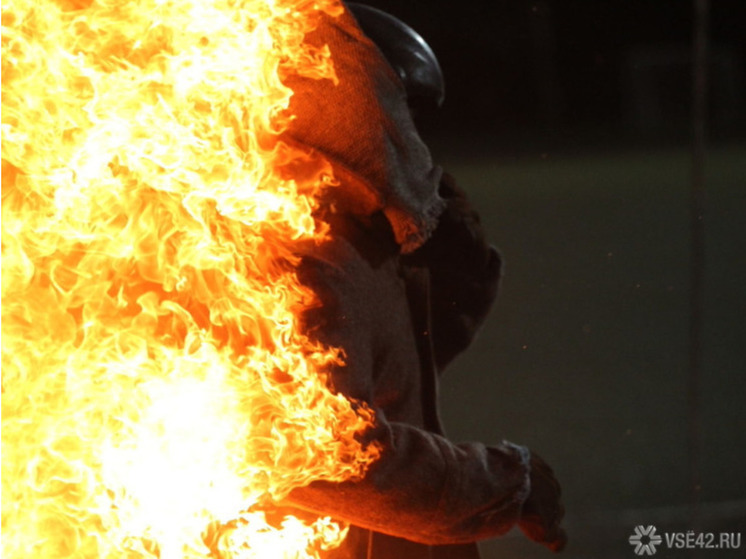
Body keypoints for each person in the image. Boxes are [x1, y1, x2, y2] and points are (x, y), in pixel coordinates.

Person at [279, 4, 567, 557]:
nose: (412, 142)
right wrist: (504, 482)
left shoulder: (356, 236)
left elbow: (408, 364)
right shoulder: (306, 256)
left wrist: (454, 253)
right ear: (357, 105)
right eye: (403, 118)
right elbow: (318, 453)